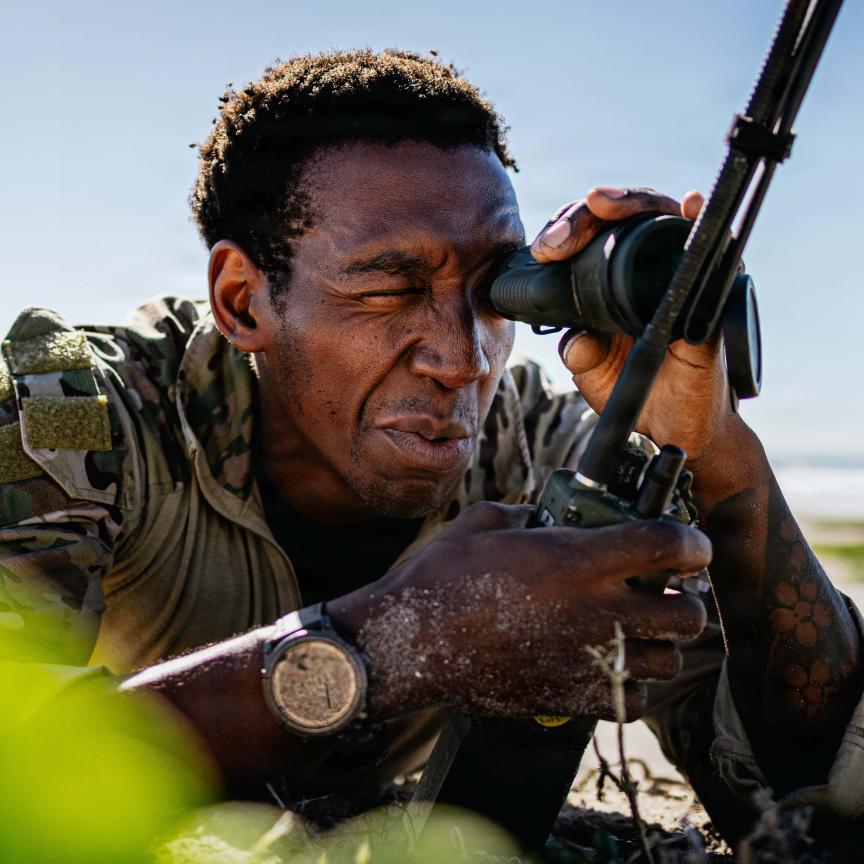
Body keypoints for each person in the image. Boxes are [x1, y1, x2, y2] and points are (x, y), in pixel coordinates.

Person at [0, 49, 861, 848]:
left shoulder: (545, 447)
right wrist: (392, 645)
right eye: (388, 289)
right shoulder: (73, 412)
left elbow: (809, 793)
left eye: (494, 293)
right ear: (243, 302)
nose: (462, 358)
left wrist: (715, 453)